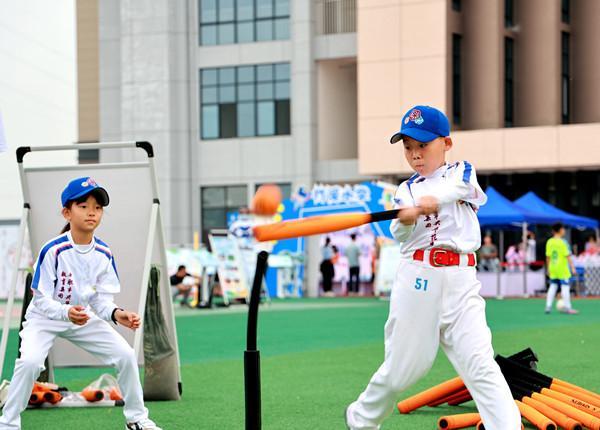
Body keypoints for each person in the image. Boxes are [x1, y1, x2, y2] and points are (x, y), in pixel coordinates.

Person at [345, 105, 520, 430]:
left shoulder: (461, 172)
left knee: (480, 363)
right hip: (418, 279)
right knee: (405, 368)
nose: (415, 155)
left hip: (462, 280)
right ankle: (361, 418)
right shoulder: (405, 191)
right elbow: (398, 234)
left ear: (446, 144)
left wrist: (433, 200)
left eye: (422, 145)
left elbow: (458, 190)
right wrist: (407, 218)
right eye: (408, 147)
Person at [0, 177, 162, 430]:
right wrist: (66, 312)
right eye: (84, 206)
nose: (92, 213)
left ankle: (137, 419)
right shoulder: (53, 250)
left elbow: (100, 299)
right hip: (45, 319)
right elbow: (40, 299)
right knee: (30, 362)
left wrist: (116, 314)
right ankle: (8, 424)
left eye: (97, 208)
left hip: (83, 317)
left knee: (126, 355)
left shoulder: (104, 253)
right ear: (67, 212)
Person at [545, 222, 578, 314]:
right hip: (562, 268)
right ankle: (568, 308)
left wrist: (548, 268)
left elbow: (548, 257)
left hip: (553, 267)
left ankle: (548, 306)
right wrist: (572, 268)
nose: (564, 231)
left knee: (553, 286)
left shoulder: (549, 242)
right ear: (560, 230)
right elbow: (568, 256)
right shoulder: (563, 242)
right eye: (563, 229)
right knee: (565, 287)